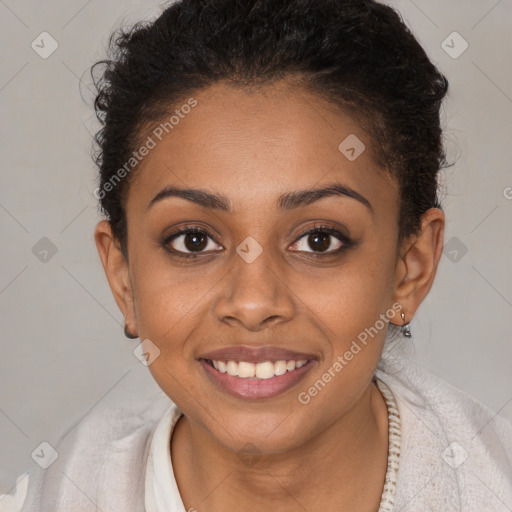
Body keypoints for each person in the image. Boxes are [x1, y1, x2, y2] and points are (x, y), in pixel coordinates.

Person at [2, 0, 511, 510]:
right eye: (193, 240)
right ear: (123, 277)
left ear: (411, 268)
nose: (252, 302)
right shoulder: (53, 496)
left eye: (319, 240)